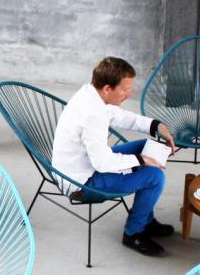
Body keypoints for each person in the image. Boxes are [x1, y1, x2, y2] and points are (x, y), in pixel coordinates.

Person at [51, 56, 178, 257]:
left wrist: (156, 126)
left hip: (85, 165)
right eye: (125, 89)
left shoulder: (92, 93)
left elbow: (120, 116)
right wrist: (141, 161)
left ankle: (145, 218)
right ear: (107, 88)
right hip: (81, 183)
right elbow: (102, 163)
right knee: (154, 176)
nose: (129, 94)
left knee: (146, 146)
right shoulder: (92, 114)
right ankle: (134, 233)